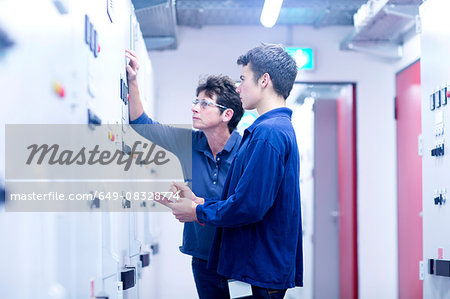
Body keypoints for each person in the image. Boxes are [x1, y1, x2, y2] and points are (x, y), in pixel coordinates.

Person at [163, 44, 303, 298]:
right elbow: (249, 198)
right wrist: (200, 202)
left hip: (261, 266)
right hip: (261, 265)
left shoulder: (268, 133)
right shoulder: (274, 128)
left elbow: (250, 205)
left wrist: (197, 211)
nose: (238, 87)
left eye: (243, 79)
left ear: (264, 80)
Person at [125, 49, 244, 299]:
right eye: (195, 102)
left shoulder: (247, 150)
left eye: (204, 103)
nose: (195, 109)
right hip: (202, 255)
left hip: (238, 255)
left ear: (227, 115)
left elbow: (246, 205)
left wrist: (195, 206)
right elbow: (141, 124)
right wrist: (133, 81)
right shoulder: (190, 143)